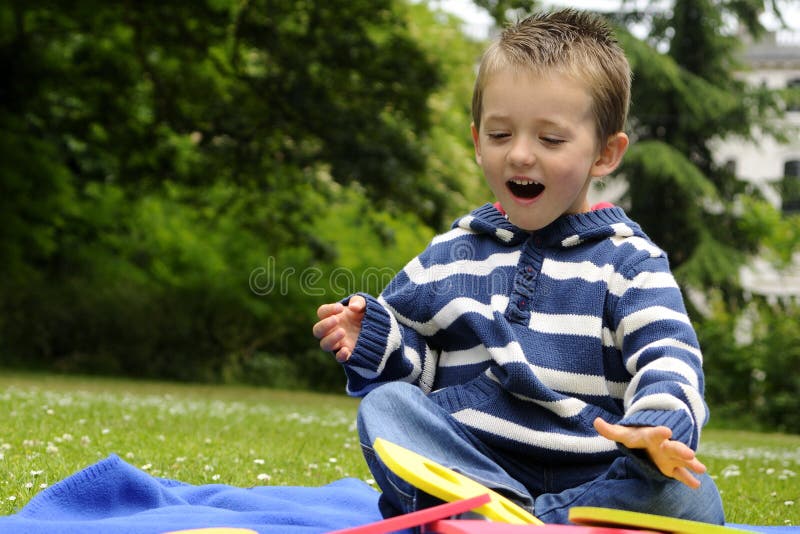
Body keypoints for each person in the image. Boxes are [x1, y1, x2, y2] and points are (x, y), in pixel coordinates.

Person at [312, 8, 724, 526]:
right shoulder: (452, 251)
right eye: (500, 135)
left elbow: (670, 355)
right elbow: (421, 365)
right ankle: (498, 510)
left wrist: (654, 426)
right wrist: (374, 336)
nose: (521, 155)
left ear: (605, 154)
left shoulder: (631, 262)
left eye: (551, 140)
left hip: (592, 473)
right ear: (476, 140)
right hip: (472, 462)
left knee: (694, 496)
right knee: (387, 407)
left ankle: (509, 519)